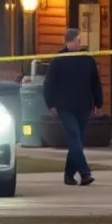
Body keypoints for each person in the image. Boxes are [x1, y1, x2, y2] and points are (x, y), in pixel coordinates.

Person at [43, 28, 104, 187]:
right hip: (65, 107)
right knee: (75, 135)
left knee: (76, 140)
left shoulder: (87, 59)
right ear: (69, 41)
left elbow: (95, 82)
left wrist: (98, 102)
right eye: (78, 40)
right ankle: (85, 172)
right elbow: (49, 84)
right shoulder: (58, 60)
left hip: (83, 106)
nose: (80, 42)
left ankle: (68, 174)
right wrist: (51, 104)